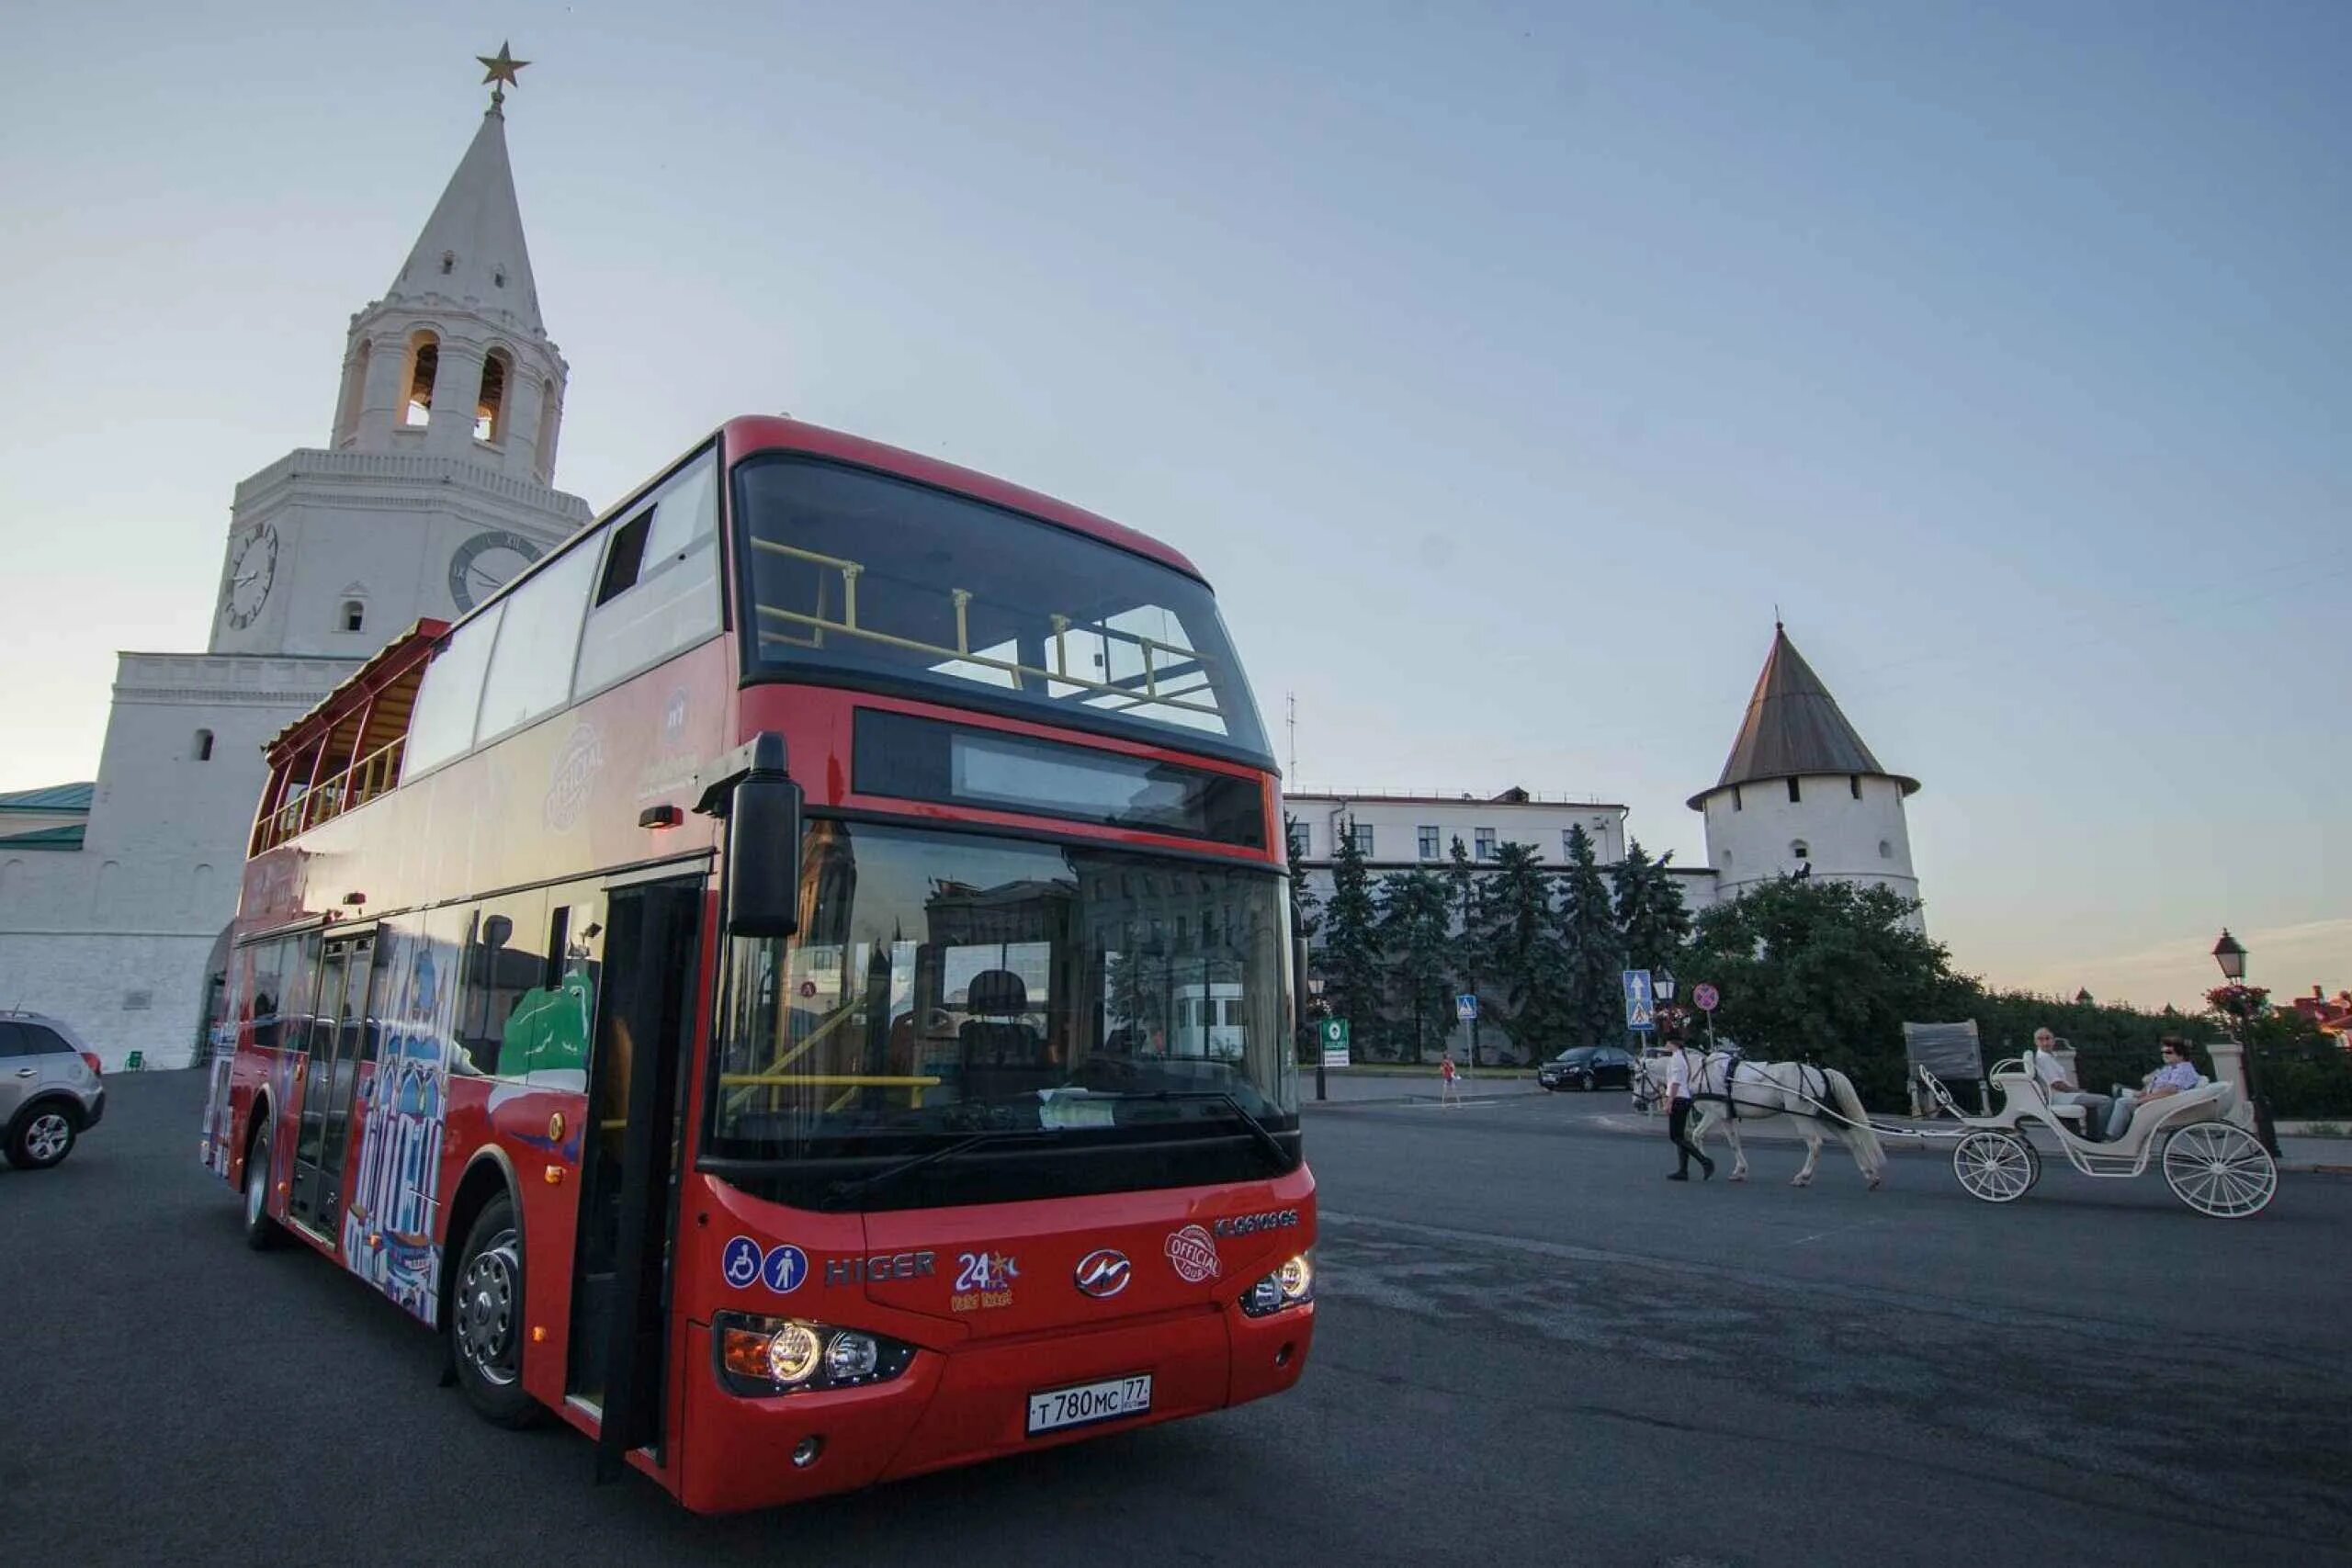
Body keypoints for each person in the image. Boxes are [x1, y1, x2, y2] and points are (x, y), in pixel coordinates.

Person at [2103, 1037, 2203, 1142]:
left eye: (2168, 1052)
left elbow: (2170, 1091)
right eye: (2163, 1052)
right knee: (2114, 1098)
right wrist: (2143, 1092)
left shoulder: (2182, 1069)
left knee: (2121, 1102)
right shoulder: (2171, 1067)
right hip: (2154, 1101)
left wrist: (2141, 1100)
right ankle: (2114, 1135)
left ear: (2181, 1054)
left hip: (2160, 1106)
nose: (2164, 1054)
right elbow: (2153, 1082)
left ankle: (2111, 1138)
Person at [2028, 1027, 2112, 1141]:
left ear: (2053, 1040)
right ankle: (2102, 1137)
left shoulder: (2048, 1056)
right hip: (2060, 1097)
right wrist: (2077, 1091)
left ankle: (2092, 1137)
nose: (2045, 1042)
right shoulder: (2044, 1059)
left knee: (2092, 1103)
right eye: (2040, 1039)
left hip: (2062, 1095)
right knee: (2106, 1101)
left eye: (2048, 1038)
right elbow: (2057, 1084)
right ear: (2036, 1042)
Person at [1664, 1039, 1714, 1180]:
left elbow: (1675, 1082)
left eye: (1667, 1043)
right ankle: (1683, 1170)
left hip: (1678, 1099)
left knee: (1675, 1136)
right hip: (1684, 1098)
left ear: (1673, 1044)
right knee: (1681, 1136)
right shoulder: (1682, 1058)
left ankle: (1705, 1162)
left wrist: (1669, 1102)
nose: (1665, 1046)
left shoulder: (1677, 1059)